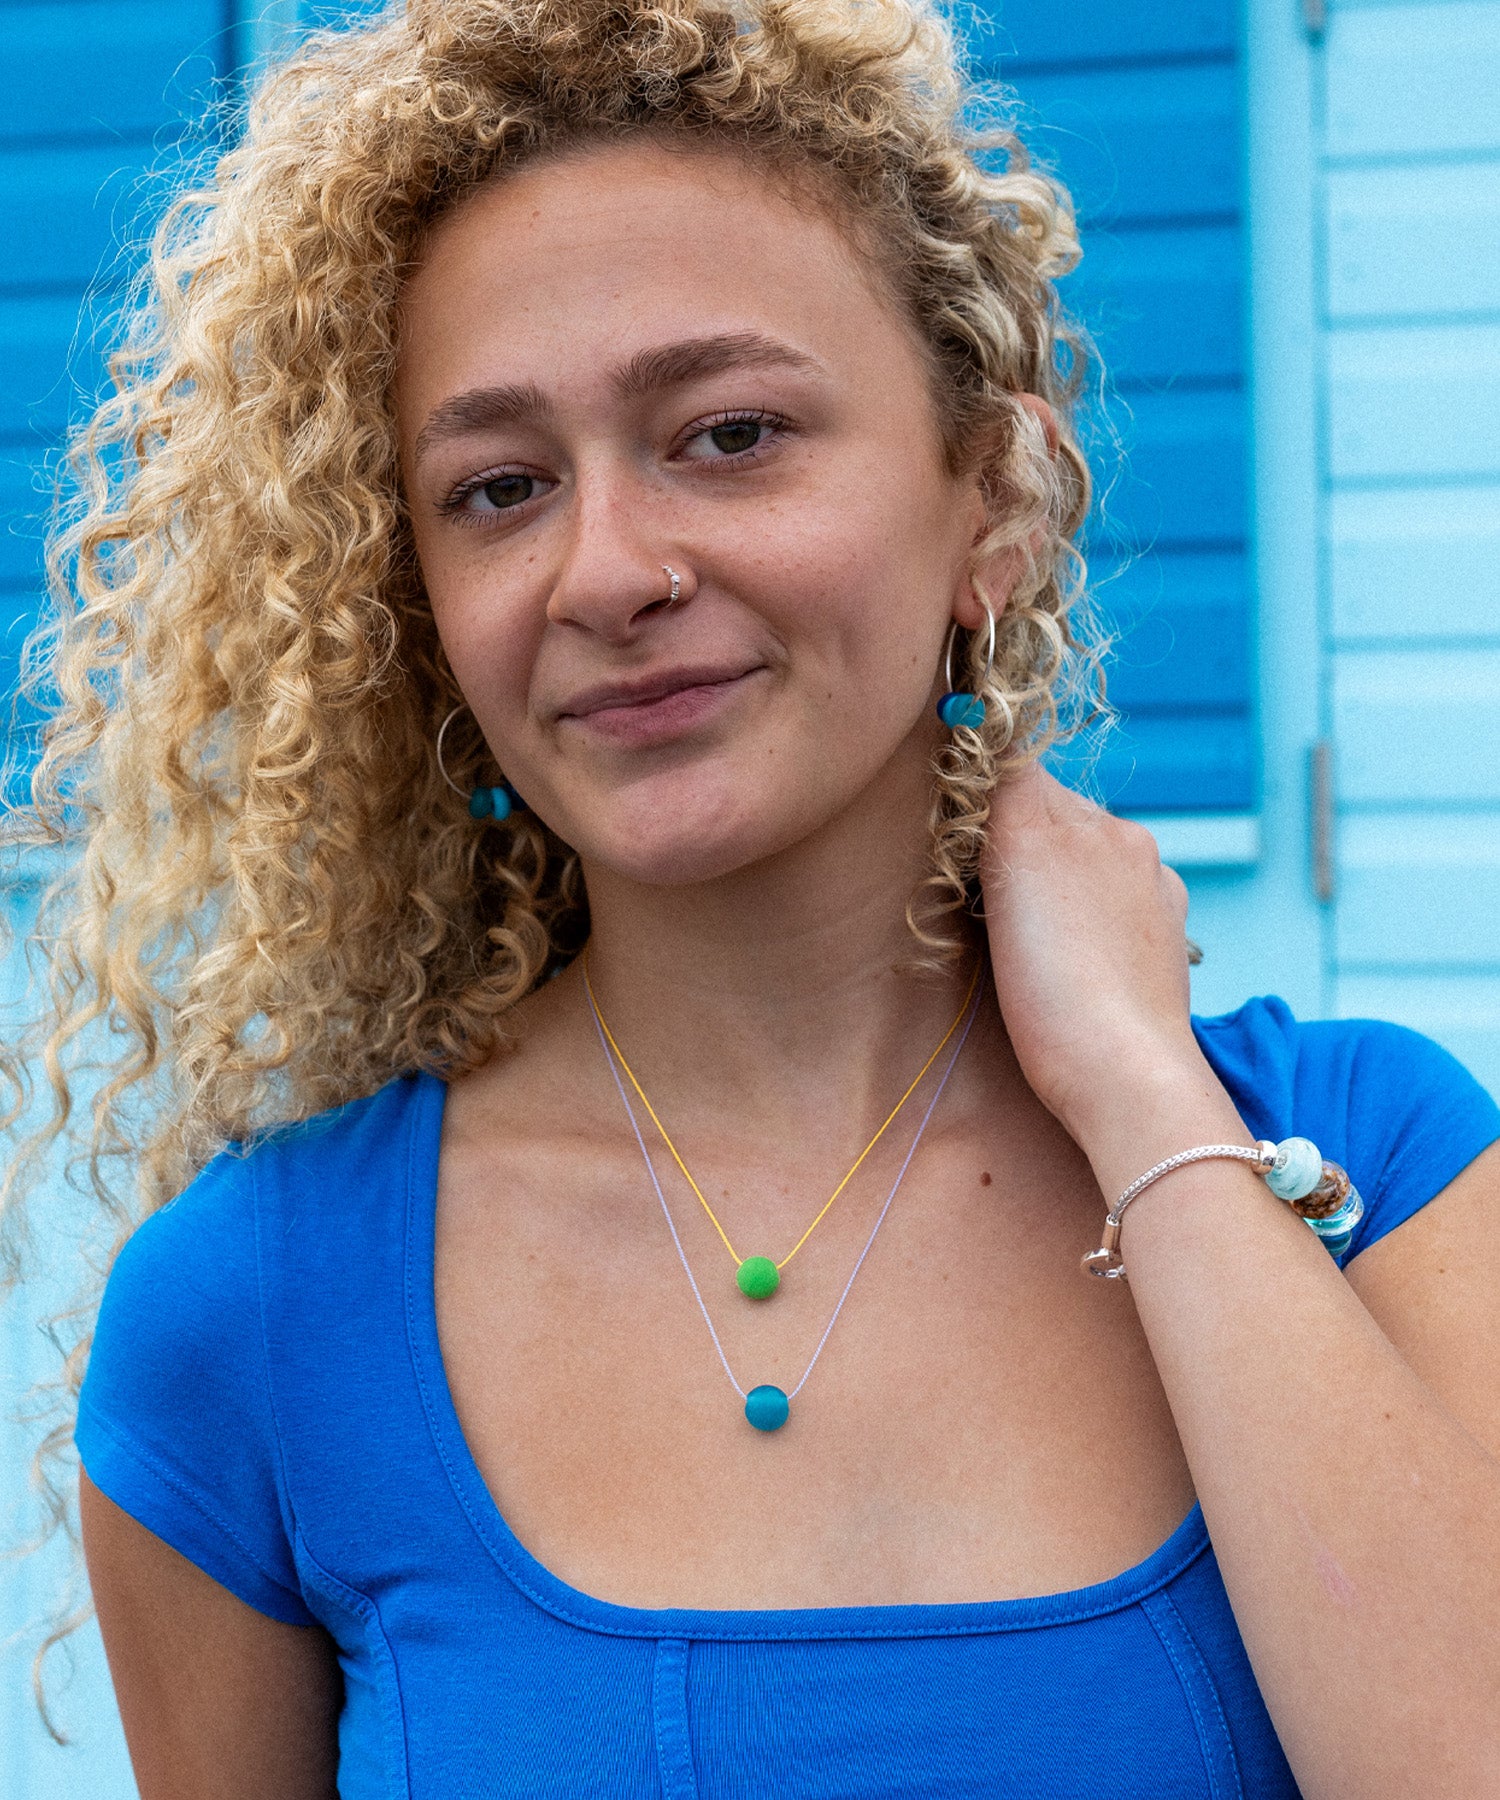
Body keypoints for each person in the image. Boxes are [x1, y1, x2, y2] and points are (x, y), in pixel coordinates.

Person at [10, 0, 1495, 1794]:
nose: (608, 570)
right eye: (497, 487)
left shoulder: (1374, 1168)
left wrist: (1140, 1093)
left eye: (728, 434)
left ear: (995, 498)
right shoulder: (252, 1313)